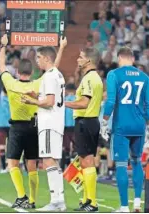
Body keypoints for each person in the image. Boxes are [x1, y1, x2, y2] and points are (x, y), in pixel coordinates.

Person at [0, 34, 67, 209]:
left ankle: (21, 196)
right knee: (32, 165)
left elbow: (1, 67)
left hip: (17, 127)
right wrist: (61, 49)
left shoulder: (11, 84)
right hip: (35, 127)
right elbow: (53, 68)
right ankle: (33, 200)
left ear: (17, 71)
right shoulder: (38, 83)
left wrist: (3, 46)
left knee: (12, 163)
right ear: (31, 72)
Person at [101, 47, 149, 212]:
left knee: (122, 165)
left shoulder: (114, 74)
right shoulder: (145, 78)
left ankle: (124, 207)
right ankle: (138, 203)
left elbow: (110, 101)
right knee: (137, 162)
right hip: (139, 127)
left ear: (119, 58)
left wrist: (104, 122)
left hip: (121, 127)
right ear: (133, 58)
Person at [21, 46, 66, 212]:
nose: (37, 60)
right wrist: (37, 97)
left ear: (47, 58)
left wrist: (31, 101)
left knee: (47, 159)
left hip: (49, 122)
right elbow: (49, 98)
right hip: (56, 122)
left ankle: (56, 200)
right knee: (52, 160)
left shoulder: (49, 76)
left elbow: (49, 102)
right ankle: (59, 200)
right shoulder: (58, 75)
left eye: (39, 57)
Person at [65, 48, 103, 212]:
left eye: (81, 57)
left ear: (89, 60)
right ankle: (87, 199)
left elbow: (84, 103)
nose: (78, 60)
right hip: (90, 121)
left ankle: (92, 203)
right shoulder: (95, 78)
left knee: (87, 161)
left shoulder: (89, 78)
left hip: (85, 121)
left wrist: (63, 103)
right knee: (85, 160)